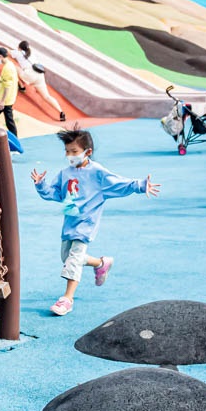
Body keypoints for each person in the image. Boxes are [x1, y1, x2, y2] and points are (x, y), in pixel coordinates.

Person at [32, 128, 160, 316]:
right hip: (70, 223)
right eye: (67, 151)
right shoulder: (64, 173)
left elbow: (118, 183)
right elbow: (56, 194)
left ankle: (67, 299)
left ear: (87, 152)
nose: (70, 155)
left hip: (86, 224)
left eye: (74, 151)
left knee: (73, 260)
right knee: (67, 258)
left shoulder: (97, 172)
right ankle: (101, 263)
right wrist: (41, 185)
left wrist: (140, 185)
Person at [12, 41, 66, 122]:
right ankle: (61, 112)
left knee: (13, 67)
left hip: (29, 74)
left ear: (19, 47)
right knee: (47, 96)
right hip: (40, 76)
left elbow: (5, 51)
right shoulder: (31, 53)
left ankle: (22, 86)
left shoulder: (18, 53)